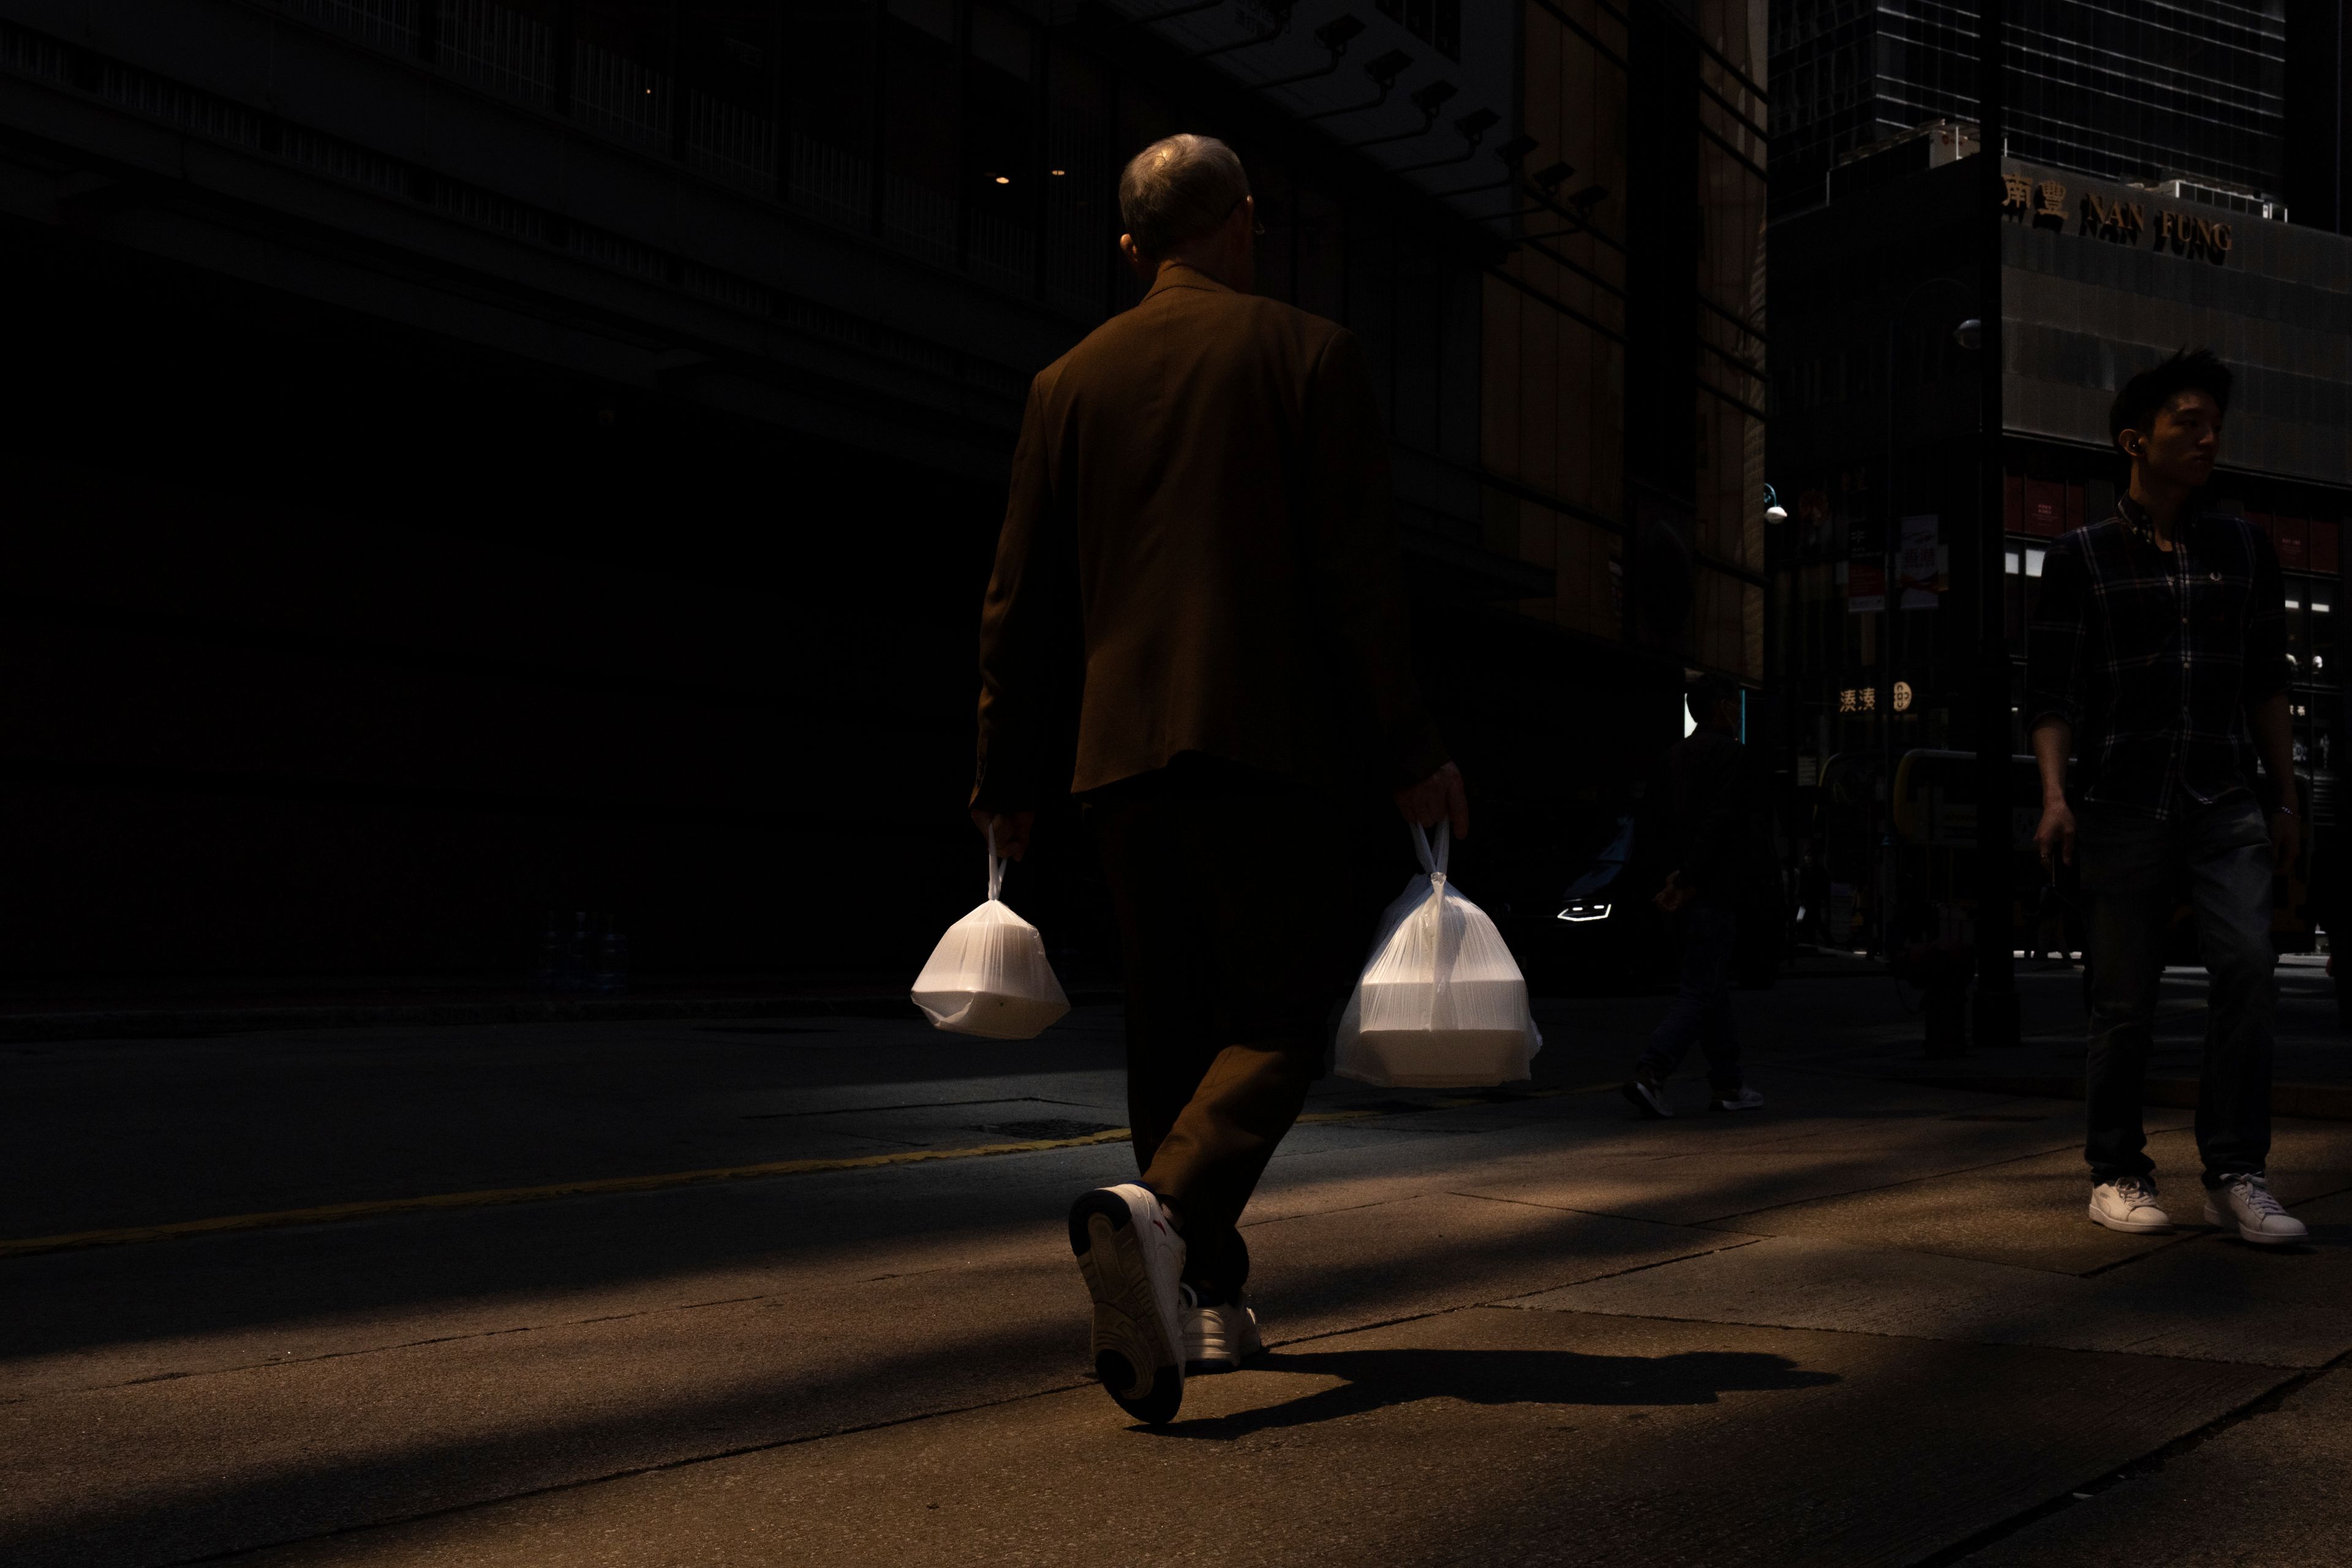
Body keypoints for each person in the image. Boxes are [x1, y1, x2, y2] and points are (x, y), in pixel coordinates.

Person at [969, 134, 1465, 1423]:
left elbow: (1018, 607)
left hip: (1117, 760)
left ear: (1132, 250)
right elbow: (1361, 585)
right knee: (1285, 1015)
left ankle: (1209, 1297)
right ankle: (1172, 1217)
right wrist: (1411, 752)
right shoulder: (1310, 355)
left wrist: (1005, 774)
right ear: (1247, 224)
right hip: (1267, 741)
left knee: (1170, 1025)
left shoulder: (1065, 382)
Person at [2027, 347, 2307, 1246]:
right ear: (2133, 440)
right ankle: (2116, 1171)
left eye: (2213, 423)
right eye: (2187, 422)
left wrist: (2287, 795)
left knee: (2249, 971)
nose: (2207, 436)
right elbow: (2052, 691)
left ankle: (2234, 1172)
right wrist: (2055, 796)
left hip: (2223, 797)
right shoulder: (2080, 557)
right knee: (2124, 1001)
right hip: (2120, 801)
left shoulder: (2243, 547)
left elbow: (2267, 679)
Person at [1620, 676, 1768, 1118]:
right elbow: (1723, 826)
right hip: (1709, 888)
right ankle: (1652, 1071)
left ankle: (1728, 1083)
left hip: (1677, 892)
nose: (1739, 715)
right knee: (1701, 988)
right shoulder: (1732, 757)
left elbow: (1652, 826)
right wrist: (1689, 877)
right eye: (1735, 706)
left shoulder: (1673, 757)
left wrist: (1668, 882)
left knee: (1711, 986)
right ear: (1722, 707)